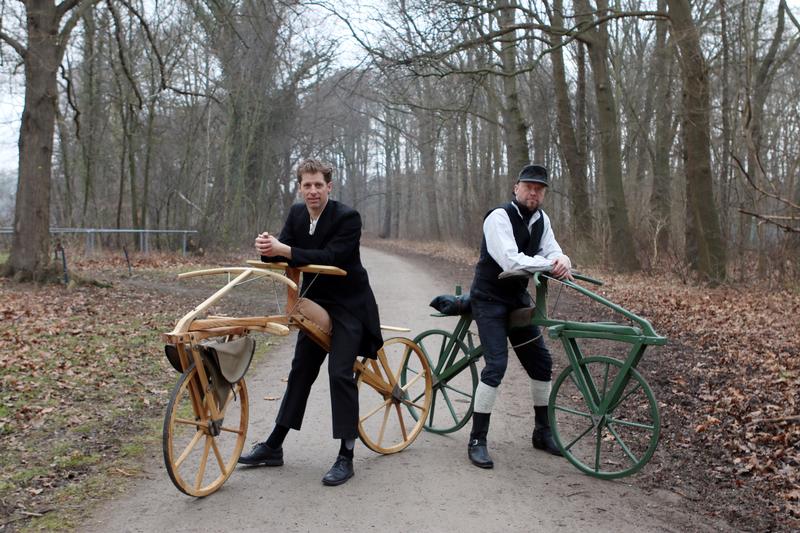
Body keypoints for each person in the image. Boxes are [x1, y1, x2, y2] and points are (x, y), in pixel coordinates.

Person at [238, 158, 383, 486]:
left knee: (340, 372)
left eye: (319, 185)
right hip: (316, 304)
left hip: (350, 306)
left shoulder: (348, 217)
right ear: (300, 187)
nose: (313, 191)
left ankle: (346, 455)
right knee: (300, 370)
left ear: (329, 186)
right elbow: (282, 252)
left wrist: (284, 248)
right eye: (307, 185)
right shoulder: (297, 214)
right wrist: (266, 249)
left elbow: (332, 257)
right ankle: (274, 446)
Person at [467, 163, 572, 469]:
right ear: (516, 187)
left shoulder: (542, 219)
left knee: (542, 363)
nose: (533, 193)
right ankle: (477, 439)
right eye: (528, 187)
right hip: (488, 299)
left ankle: (542, 432)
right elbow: (510, 261)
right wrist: (549, 263)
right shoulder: (498, 217)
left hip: (516, 300)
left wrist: (562, 260)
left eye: (539, 189)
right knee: (496, 365)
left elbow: (554, 251)